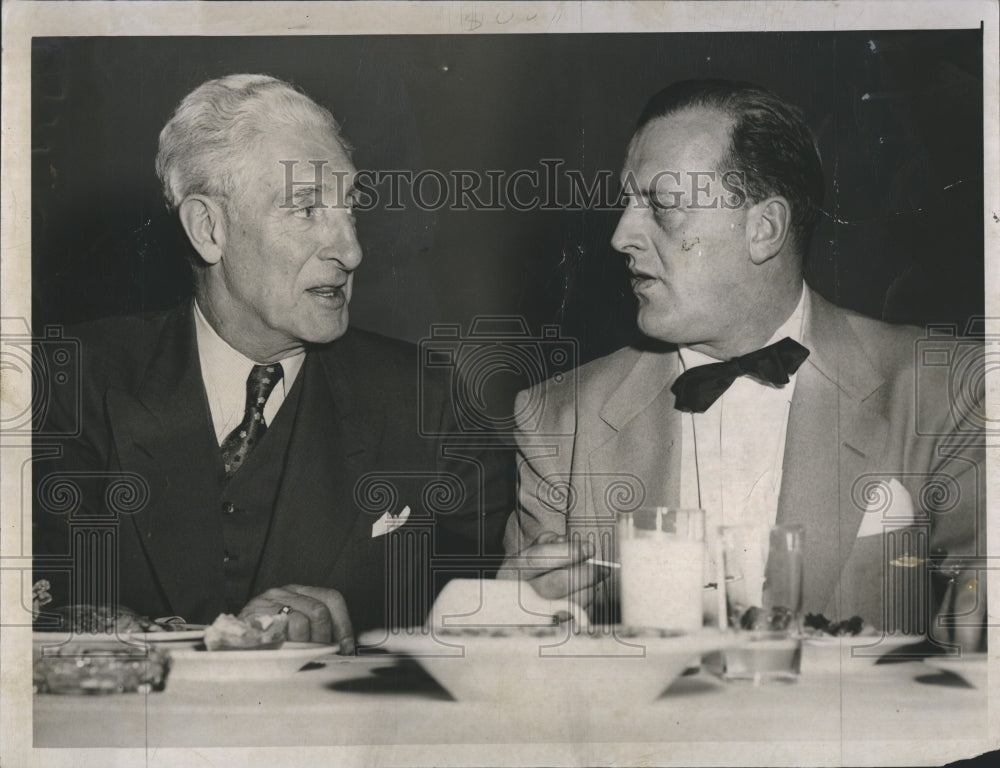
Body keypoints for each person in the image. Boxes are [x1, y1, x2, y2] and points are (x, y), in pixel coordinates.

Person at [32, 74, 511, 651]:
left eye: (349, 208)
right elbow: (36, 595)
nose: (351, 250)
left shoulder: (427, 400)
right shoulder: (69, 383)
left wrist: (359, 647)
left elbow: (496, 606)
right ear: (209, 229)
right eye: (306, 209)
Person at [502, 79, 985, 641]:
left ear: (764, 229)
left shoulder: (946, 389)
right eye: (627, 204)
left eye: (661, 207)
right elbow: (523, 675)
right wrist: (518, 613)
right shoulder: (559, 418)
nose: (619, 236)